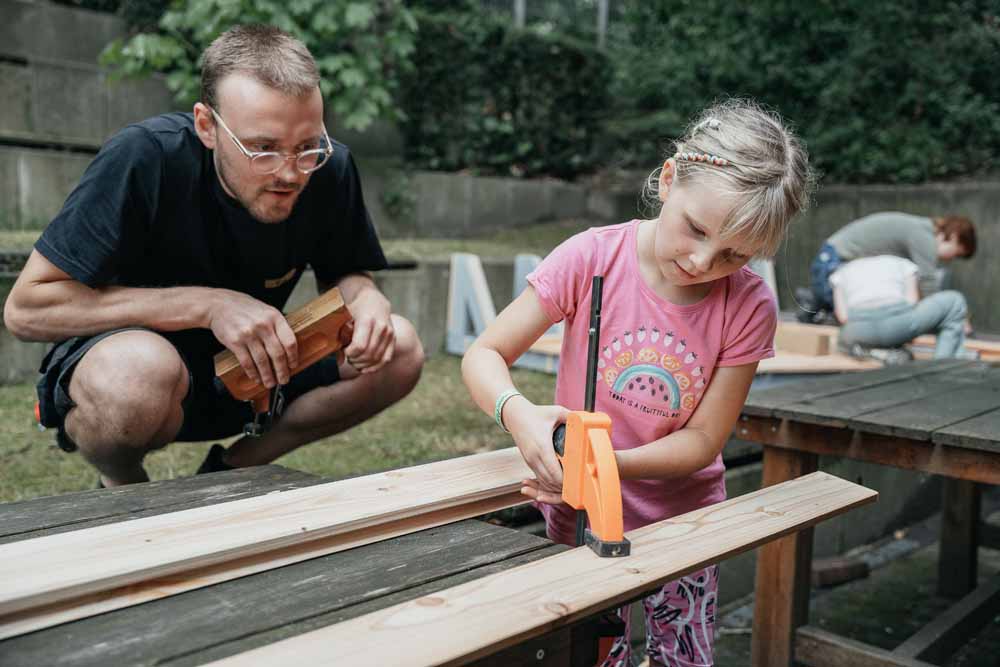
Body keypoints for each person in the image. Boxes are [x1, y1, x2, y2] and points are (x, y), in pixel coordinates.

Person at [462, 99, 814, 667]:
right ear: (669, 179)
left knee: (684, 658)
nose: (702, 261)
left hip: (687, 524)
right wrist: (518, 413)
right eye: (695, 229)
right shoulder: (592, 258)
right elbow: (484, 354)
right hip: (577, 515)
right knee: (591, 654)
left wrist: (604, 464)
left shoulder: (749, 306)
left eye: (734, 254)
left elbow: (704, 441)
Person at [2, 25, 424, 488]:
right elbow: (25, 310)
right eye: (263, 149)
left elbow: (347, 274)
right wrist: (209, 306)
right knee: (138, 373)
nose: (290, 173)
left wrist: (366, 300)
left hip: (255, 373)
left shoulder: (328, 168)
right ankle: (122, 484)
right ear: (207, 126)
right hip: (134, 378)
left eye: (307, 146)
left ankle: (234, 471)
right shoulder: (145, 156)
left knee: (400, 348)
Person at [800, 211, 976, 323]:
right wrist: (953, 318)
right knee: (859, 316)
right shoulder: (925, 238)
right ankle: (816, 302)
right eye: (956, 253)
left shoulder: (920, 230)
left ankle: (816, 301)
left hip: (832, 260)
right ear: (954, 237)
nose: (951, 259)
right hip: (832, 262)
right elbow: (928, 283)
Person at [830, 255, 968, 362]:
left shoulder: (842, 272)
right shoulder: (903, 263)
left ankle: (877, 352)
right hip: (898, 323)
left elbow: (842, 317)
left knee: (846, 342)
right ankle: (942, 365)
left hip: (857, 332)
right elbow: (912, 302)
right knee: (955, 301)